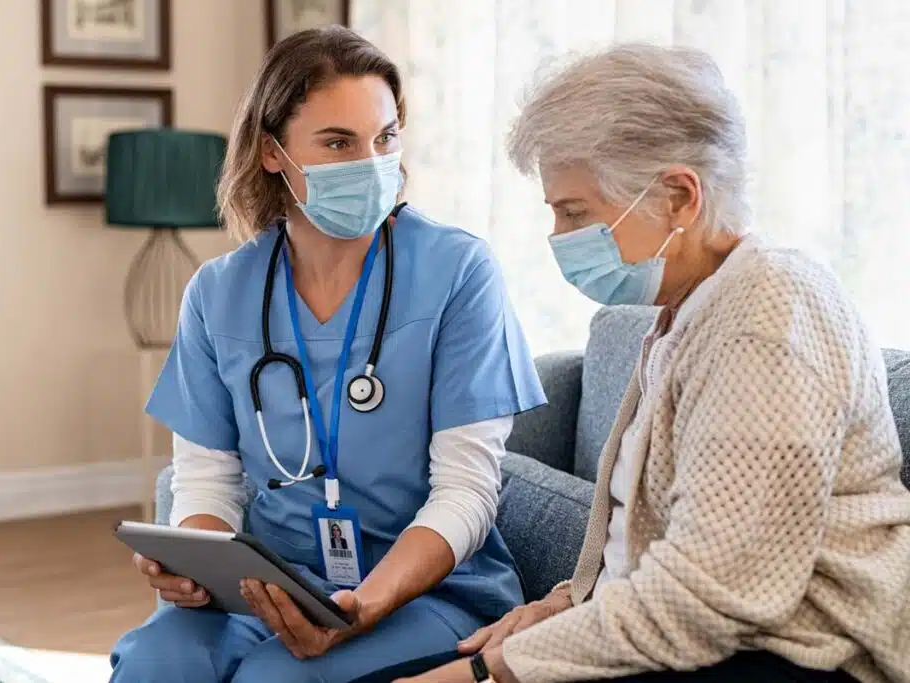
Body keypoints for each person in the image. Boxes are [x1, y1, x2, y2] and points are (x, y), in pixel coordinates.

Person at [397, 43, 910, 683]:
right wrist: (562, 606)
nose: (558, 237)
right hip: (708, 638)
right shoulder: (690, 309)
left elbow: (705, 600)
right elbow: (648, 545)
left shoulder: (765, 320)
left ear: (677, 197)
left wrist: (493, 672)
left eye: (575, 212)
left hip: (800, 653)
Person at [108, 26, 547, 683]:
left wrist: (364, 603)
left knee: (275, 679)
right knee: (157, 664)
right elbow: (207, 480)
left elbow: (468, 490)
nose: (372, 163)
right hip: (273, 582)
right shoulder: (219, 293)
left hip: (428, 589)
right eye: (339, 142)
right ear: (273, 152)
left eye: (386, 138)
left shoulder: (457, 272)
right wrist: (198, 566)